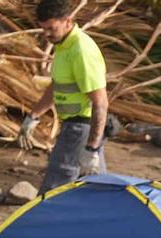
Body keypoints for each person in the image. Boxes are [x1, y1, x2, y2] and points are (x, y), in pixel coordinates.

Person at [31, 0, 109, 194]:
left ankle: (42, 223)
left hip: (80, 129)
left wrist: (91, 148)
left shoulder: (81, 50)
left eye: (51, 28)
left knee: (54, 190)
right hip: (74, 127)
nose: (47, 34)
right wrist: (33, 116)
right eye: (43, 29)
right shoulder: (64, 45)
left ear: (68, 21)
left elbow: (101, 102)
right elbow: (57, 85)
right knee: (94, 189)